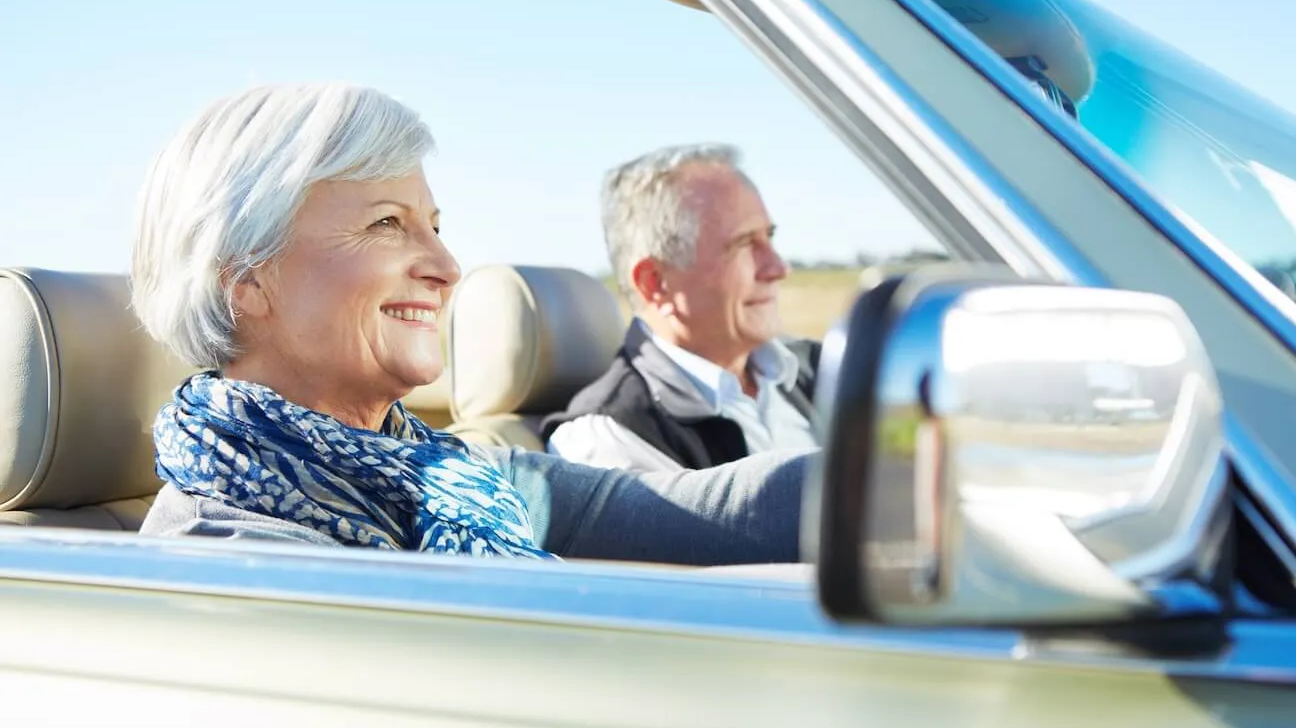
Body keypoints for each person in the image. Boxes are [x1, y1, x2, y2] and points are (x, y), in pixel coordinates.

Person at [132, 82, 811, 564]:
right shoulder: (226, 556)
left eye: (434, 225)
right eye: (386, 223)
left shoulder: (458, 478)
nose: (446, 264)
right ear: (245, 276)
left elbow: (712, 514)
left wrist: (900, 477)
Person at [543, 144, 822, 472]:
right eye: (745, 244)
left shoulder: (816, 370)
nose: (778, 268)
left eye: (769, 238)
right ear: (655, 283)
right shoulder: (608, 442)